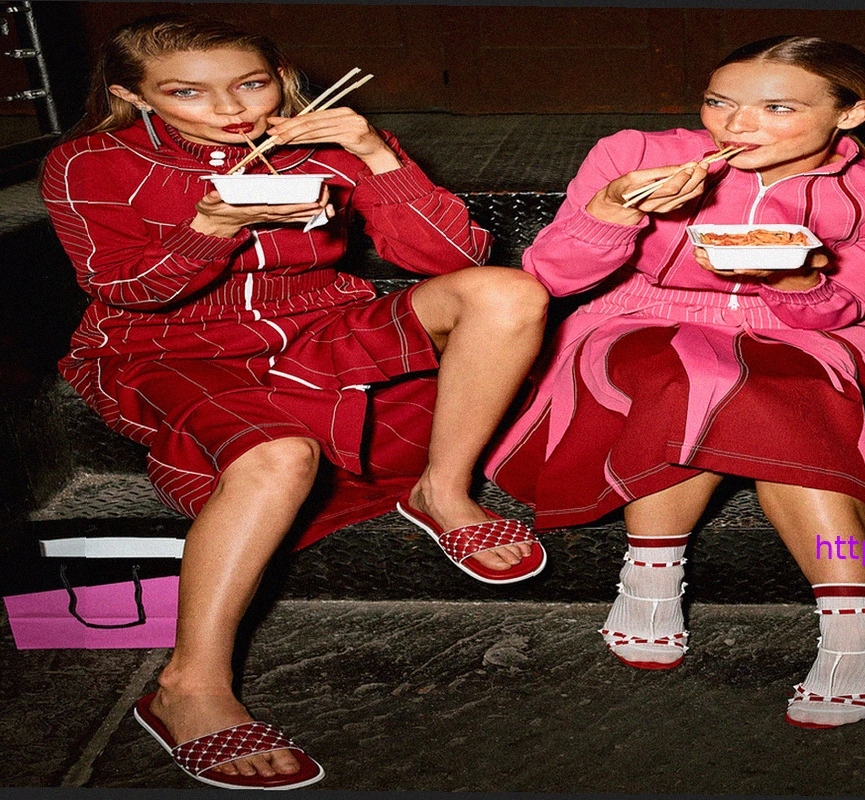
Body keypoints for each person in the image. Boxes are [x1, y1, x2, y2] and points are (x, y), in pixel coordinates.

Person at [40, 14, 549, 789]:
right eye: (187, 93)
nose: (230, 109)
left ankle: (441, 490)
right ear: (133, 96)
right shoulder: (90, 161)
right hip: (167, 346)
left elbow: (454, 258)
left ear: (279, 78)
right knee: (278, 455)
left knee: (507, 295)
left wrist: (374, 154)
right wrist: (208, 227)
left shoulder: (325, 144)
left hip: (317, 324)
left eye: (251, 84)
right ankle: (187, 686)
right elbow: (124, 289)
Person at [485, 36, 865, 729]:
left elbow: (841, 307)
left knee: (788, 387)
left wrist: (794, 277)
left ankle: (854, 619)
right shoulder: (632, 154)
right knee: (690, 369)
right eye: (719, 102)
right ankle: (652, 572)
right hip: (641, 317)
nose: (736, 126)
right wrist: (614, 211)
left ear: (850, 114)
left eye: (777, 108)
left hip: (800, 329)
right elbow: (551, 278)